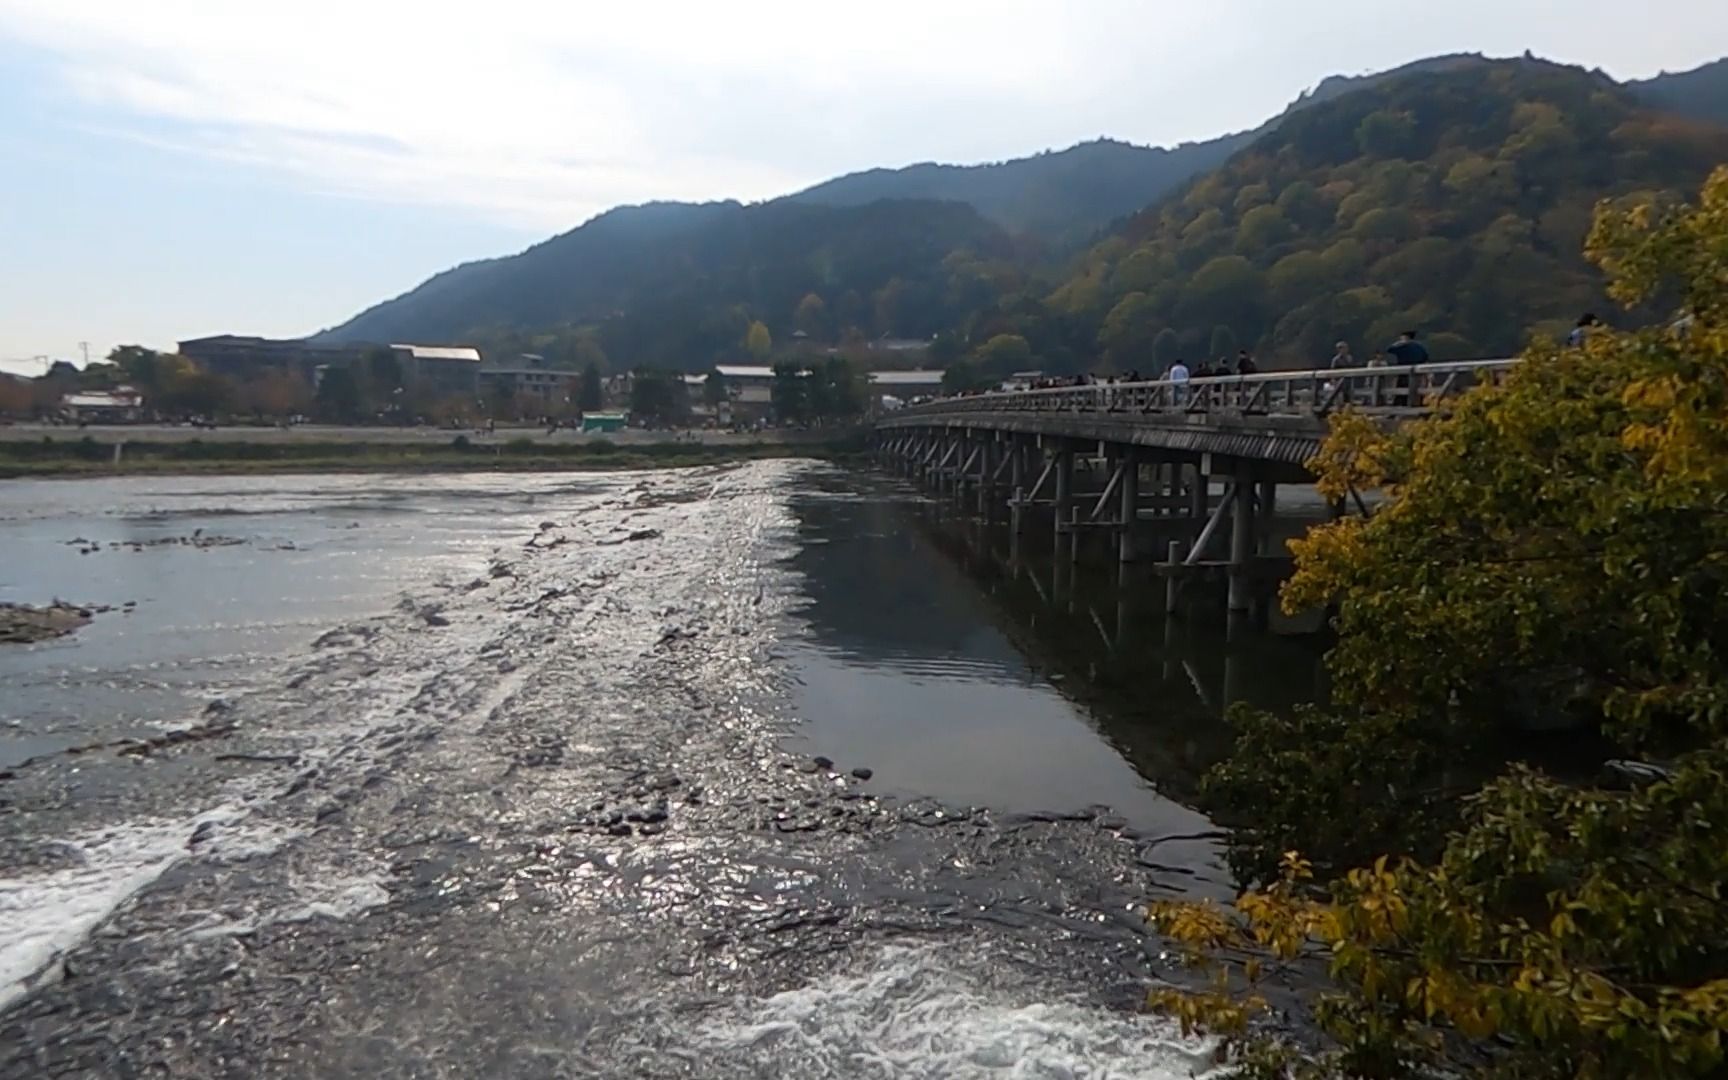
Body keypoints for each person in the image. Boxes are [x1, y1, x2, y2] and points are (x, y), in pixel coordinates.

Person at [1384, 330, 1429, 406]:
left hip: (1404, 371)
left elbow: (1389, 349)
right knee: (1416, 390)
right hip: (1417, 371)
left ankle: (1402, 405)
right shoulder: (1419, 346)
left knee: (1402, 390)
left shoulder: (1402, 346)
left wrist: (1399, 343)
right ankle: (1416, 404)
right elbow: (1425, 357)